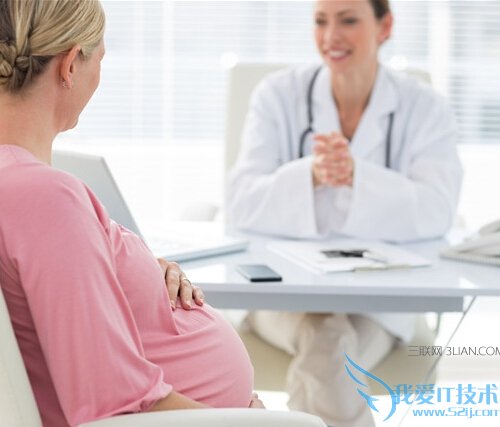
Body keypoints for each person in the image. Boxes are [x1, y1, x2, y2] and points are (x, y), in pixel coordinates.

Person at [0, 1, 263, 426]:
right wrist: (253, 423)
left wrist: (135, 273)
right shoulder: (44, 197)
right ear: (70, 65)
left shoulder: (25, 187)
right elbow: (113, 405)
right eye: (99, 60)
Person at [227, 0, 462, 426]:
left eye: (348, 20)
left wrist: (358, 176)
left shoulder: (425, 107)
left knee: (326, 345)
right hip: (282, 297)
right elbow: (241, 202)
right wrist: (312, 174)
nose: (331, 36)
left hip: (375, 301)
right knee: (329, 343)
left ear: (384, 26)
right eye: (321, 21)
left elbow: (438, 209)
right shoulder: (277, 95)